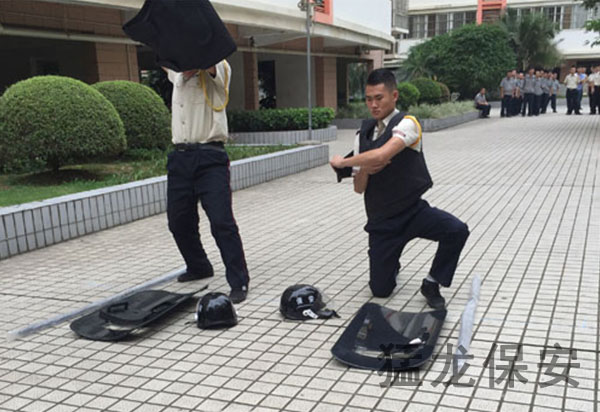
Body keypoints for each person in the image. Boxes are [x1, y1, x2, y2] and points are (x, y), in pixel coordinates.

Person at [329, 69, 469, 309]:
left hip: (413, 212)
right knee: (380, 290)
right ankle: (391, 264)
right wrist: (365, 170)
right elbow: (359, 189)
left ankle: (432, 282)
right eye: (368, 99)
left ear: (394, 96)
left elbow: (382, 154)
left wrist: (344, 162)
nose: (373, 105)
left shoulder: (408, 123)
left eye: (379, 98)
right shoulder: (362, 134)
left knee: (457, 230)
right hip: (382, 222)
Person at [163, 62, 250, 303]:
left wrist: (198, 58)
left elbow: (212, 65)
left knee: (221, 222)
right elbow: (165, 63)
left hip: (210, 157)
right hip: (180, 157)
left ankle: (239, 280)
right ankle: (199, 266)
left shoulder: (217, 69)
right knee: (178, 221)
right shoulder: (177, 75)